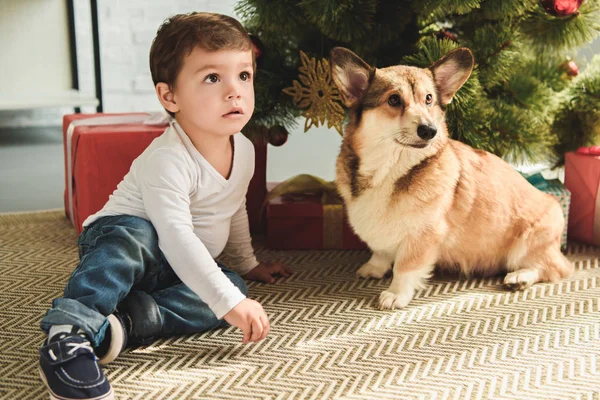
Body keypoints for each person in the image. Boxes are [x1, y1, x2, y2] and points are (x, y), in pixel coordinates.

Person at [38, 12, 292, 400]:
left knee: (229, 288)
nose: (234, 91)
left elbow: (232, 206)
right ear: (169, 96)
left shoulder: (243, 149)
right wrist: (230, 303)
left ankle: (119, 326)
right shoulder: (168, 158)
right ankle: (69, 334)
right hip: (127, 242)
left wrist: (245, 264)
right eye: (212, 78)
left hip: (176, 268)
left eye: (243, 75)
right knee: (136, 237)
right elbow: (174, 237)